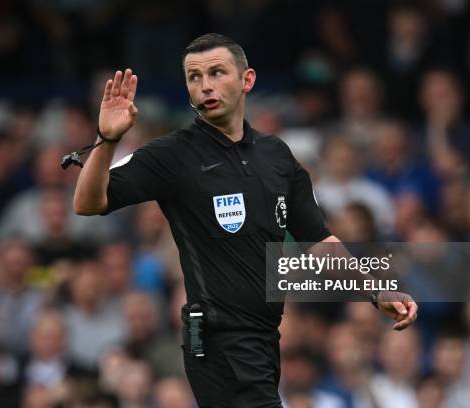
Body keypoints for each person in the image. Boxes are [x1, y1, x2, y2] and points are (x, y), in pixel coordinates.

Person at [73, 33, 418, 407]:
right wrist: (106, 141)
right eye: (194, 77)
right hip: (215, 336)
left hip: (264, 338)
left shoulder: (277, 157)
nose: (205, 85)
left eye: (217, 72)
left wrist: (374, 290)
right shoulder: (173, 155)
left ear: (246, 80)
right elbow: (88, 202)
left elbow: (319, 241)